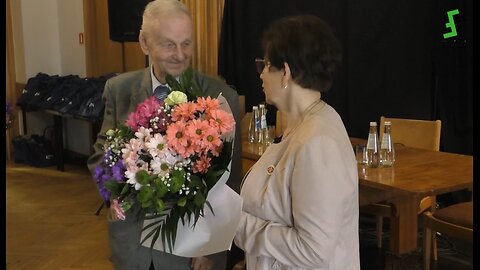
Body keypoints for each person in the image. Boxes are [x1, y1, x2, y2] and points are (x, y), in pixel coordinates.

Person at [86, 1, 242, 269]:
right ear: (144, 43)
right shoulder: (118, 89)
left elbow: (230, 182)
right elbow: (101, 155)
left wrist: (211, 248)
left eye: (187, 43)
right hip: (132, 244)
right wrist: (114, 190)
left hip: (189, 254)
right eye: (169, 44)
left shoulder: (219, 97)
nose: (180, 54)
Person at [234, 15, 360, 269]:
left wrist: (235, 224)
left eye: (267, 65)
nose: (261, 75)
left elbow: (313, 250)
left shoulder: (317, 141)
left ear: (286, 72)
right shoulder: (305, 124)